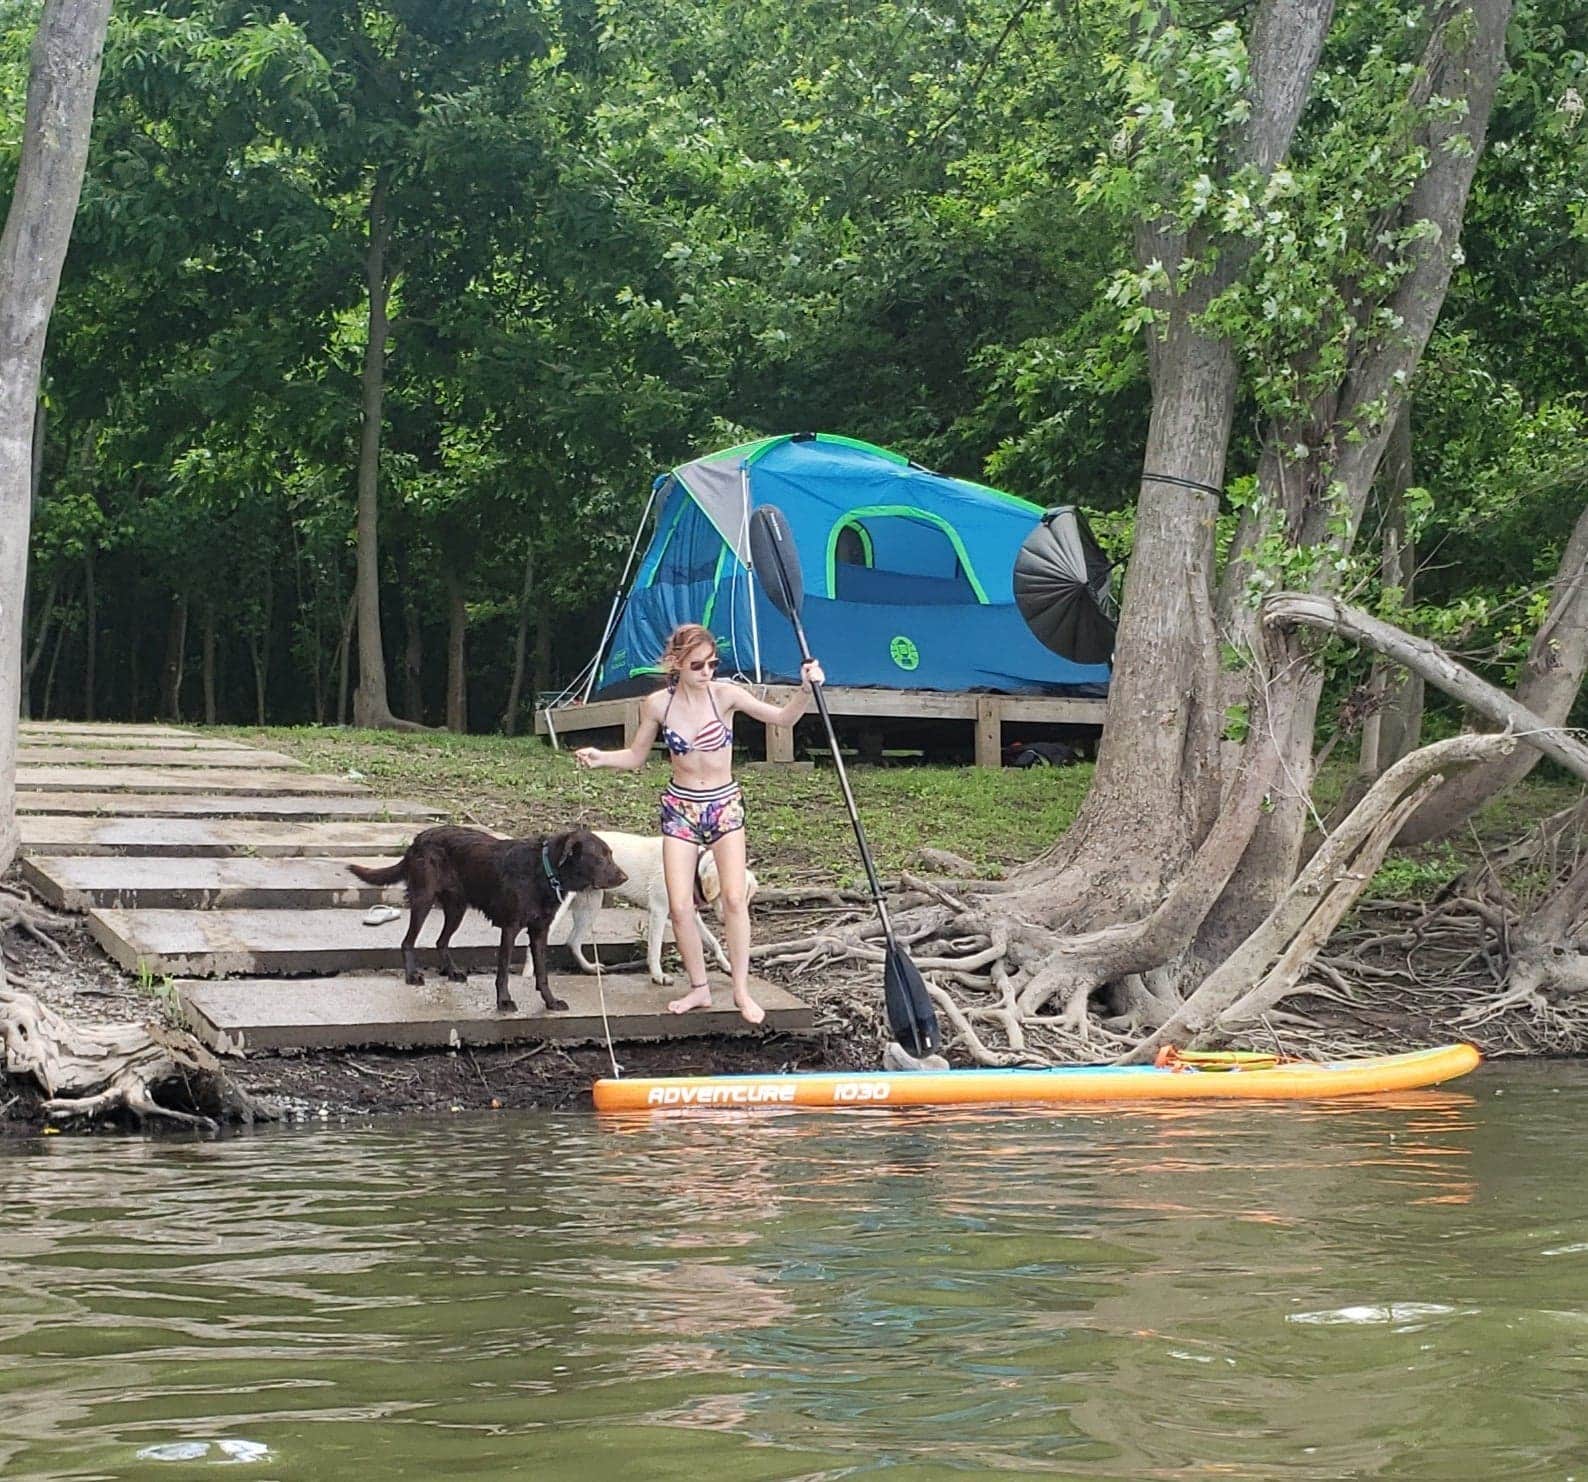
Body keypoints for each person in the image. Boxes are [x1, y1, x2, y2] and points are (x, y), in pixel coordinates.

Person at [574, 623, 823, 1023]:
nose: (707, 671)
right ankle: (699, 988)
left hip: (723, 804)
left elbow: (782, 719)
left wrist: (806, 689)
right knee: (679, 904)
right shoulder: (658, 704)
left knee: (734, 896)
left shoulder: (726, 695)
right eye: (698, 665)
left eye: (712, 663)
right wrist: (601, 757)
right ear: (676, 663)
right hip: (681, 807)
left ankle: (741, 988)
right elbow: (637, 756)